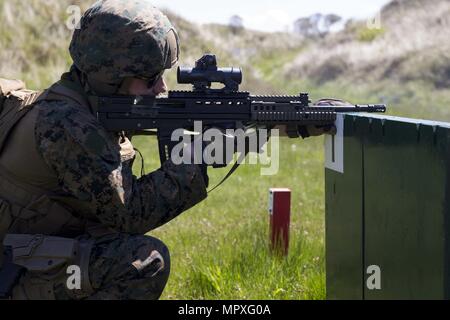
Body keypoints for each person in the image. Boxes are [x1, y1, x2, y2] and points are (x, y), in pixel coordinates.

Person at [0, 0, 335, 300]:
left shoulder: (83, 103)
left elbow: (238, 118)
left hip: (32, 249)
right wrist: (194, 161)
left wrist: (302, 120)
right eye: (150, 78)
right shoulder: (69, 126)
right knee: (143, 262)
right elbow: (130, 214)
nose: (161, 87)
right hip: (12, 272)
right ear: (110, 77)